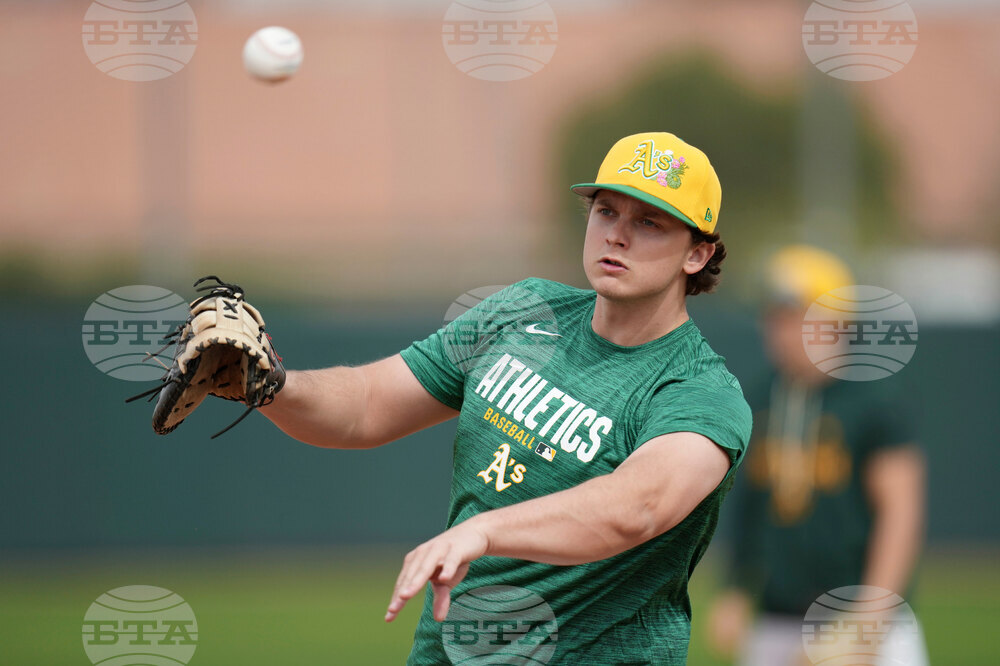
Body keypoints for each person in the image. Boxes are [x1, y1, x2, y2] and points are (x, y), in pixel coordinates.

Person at [261, 132, 752, 664]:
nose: (617, 236)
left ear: (698, 254)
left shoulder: (700, 392)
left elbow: (638, 506)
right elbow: (363, 407)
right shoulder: (524, 310)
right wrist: (268, 384)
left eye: (649, 222)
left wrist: (483, 532)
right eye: (606, 211)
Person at [706, 245, 928, 666]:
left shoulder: (874, 397)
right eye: (775, 317)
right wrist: (736, 588)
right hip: (776, 619)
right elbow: (750, 506)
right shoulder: (761, 397)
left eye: (796, 317)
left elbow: (900, 514)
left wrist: (869, 622)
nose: (779, 330)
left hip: (862, 618)